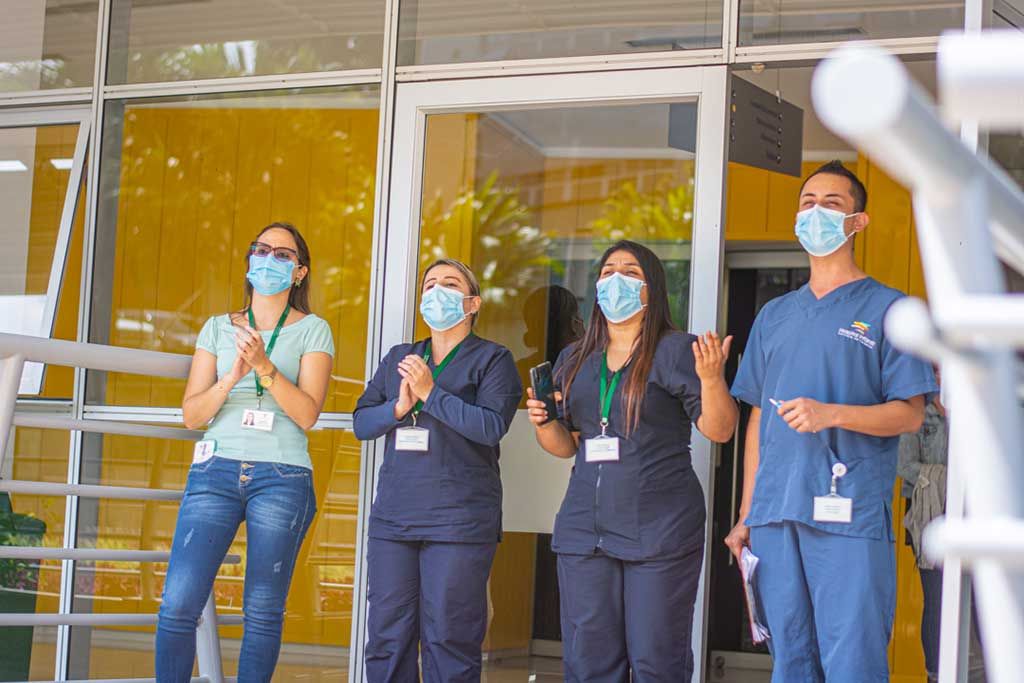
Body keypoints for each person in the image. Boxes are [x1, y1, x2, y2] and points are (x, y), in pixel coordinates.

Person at [724, 161, 938, 683]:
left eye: (831, 203)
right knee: (790, 661)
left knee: (852, 660)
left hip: (848, 514)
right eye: (807, 203)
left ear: (858, 222)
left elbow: (910, 414)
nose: (815, 212)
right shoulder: (774, 316)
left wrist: (830, 414)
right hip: (776, 514)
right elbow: (758, 420)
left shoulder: (890, 310)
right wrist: (747, 512)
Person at [526, 240, 737, 681]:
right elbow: (567, 445)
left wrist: (712, 380)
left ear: (651, 289)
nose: (616, 279)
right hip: (585, 532)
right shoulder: (575, 357)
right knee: (589, 663)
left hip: (659, 531)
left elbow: (720, 429)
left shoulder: (678, 350)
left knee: (656, 660)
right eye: (607, 272)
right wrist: (544, 423)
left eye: (630, 272)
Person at [158, 222, 334, 682]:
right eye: (261, 249)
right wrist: (232, 377)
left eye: (283, 254)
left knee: (262, 610)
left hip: (282, 475)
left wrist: (264, 366)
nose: (269, 259)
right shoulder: (217, 327)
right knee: (178, 603)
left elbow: (308, 414)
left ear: (299, 272)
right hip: (214, 470)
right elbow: (192, 415)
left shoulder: (314, 330)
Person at [354, 258, 522, 681]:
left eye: (449, 284)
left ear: (473, 303)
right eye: (430, 284)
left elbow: (490, 426)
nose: (436, 291)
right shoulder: (401, 357)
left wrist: (430, 393)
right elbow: (362, 423)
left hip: (458, 523)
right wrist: (397, 408)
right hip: (395, 520)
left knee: (449, 637)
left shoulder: (493, 359)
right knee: (387, 637)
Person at [898, 364, 947, 683]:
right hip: (929, 516)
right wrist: (946, 480)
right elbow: (904, 465)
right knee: (937, 598)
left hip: (974, 515)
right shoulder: (919, 413)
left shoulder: (976, 412)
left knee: (980, 601)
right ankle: (935, 675)